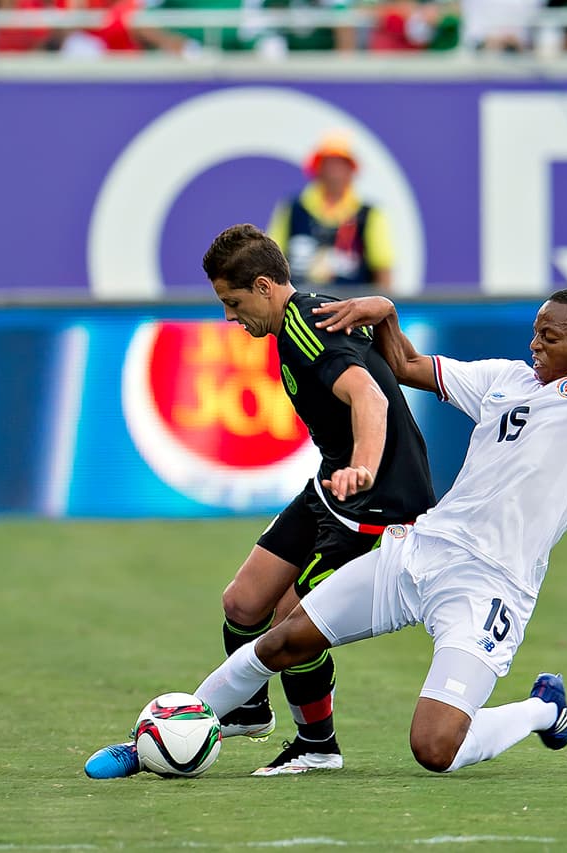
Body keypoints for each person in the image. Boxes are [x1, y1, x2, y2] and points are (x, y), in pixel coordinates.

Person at [85, 191, 567, 778]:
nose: (535, 344)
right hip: (420, 549)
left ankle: (542, 708)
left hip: (492, 585)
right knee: (283, 639)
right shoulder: (503, 379)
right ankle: (156, 741)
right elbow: (408, 366)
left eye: (550, 336)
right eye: (535, 332)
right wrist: (384, 310)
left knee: (435, 748)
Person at [86, 225, 435, 778]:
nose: (229, 316)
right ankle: (248, 709)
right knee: (243, 604)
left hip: (375, 507)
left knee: (290, 626)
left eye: (233, 302)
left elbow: (370, 396)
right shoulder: (306, 315)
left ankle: (317, 746)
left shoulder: (305, 330)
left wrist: (364, 466)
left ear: (265, 287)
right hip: (332, 490)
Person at [267, 132, 396, 292]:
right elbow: (270, 262)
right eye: (329, 164)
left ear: (351, 171)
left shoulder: (370, 215)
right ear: (317, 169)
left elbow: (383, 273)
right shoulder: (292, 208)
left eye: (341, 165)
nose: (335, 172)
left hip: (353, 304)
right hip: (297, 303)